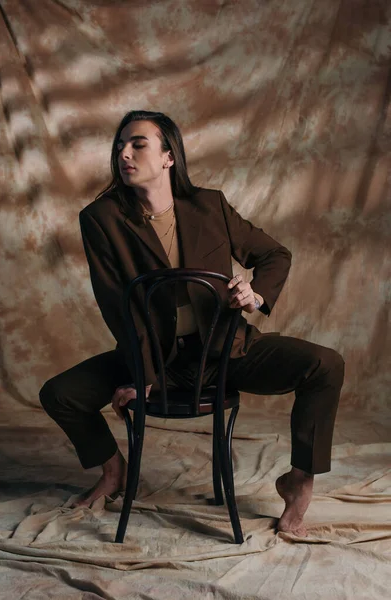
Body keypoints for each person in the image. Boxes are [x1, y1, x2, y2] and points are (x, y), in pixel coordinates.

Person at [40, 110, 344, 537]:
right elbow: (117, 306)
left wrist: (254, 294)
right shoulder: (101, 218)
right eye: (119, 146)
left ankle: (299, 482)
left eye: (137, 144)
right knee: (59, 394)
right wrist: (146, 376)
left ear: (168, 156)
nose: (124, 153)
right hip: (151, 357)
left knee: (325, 364)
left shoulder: (209, 205)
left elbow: (275, 255)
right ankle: (115, 472)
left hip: (223, 352)